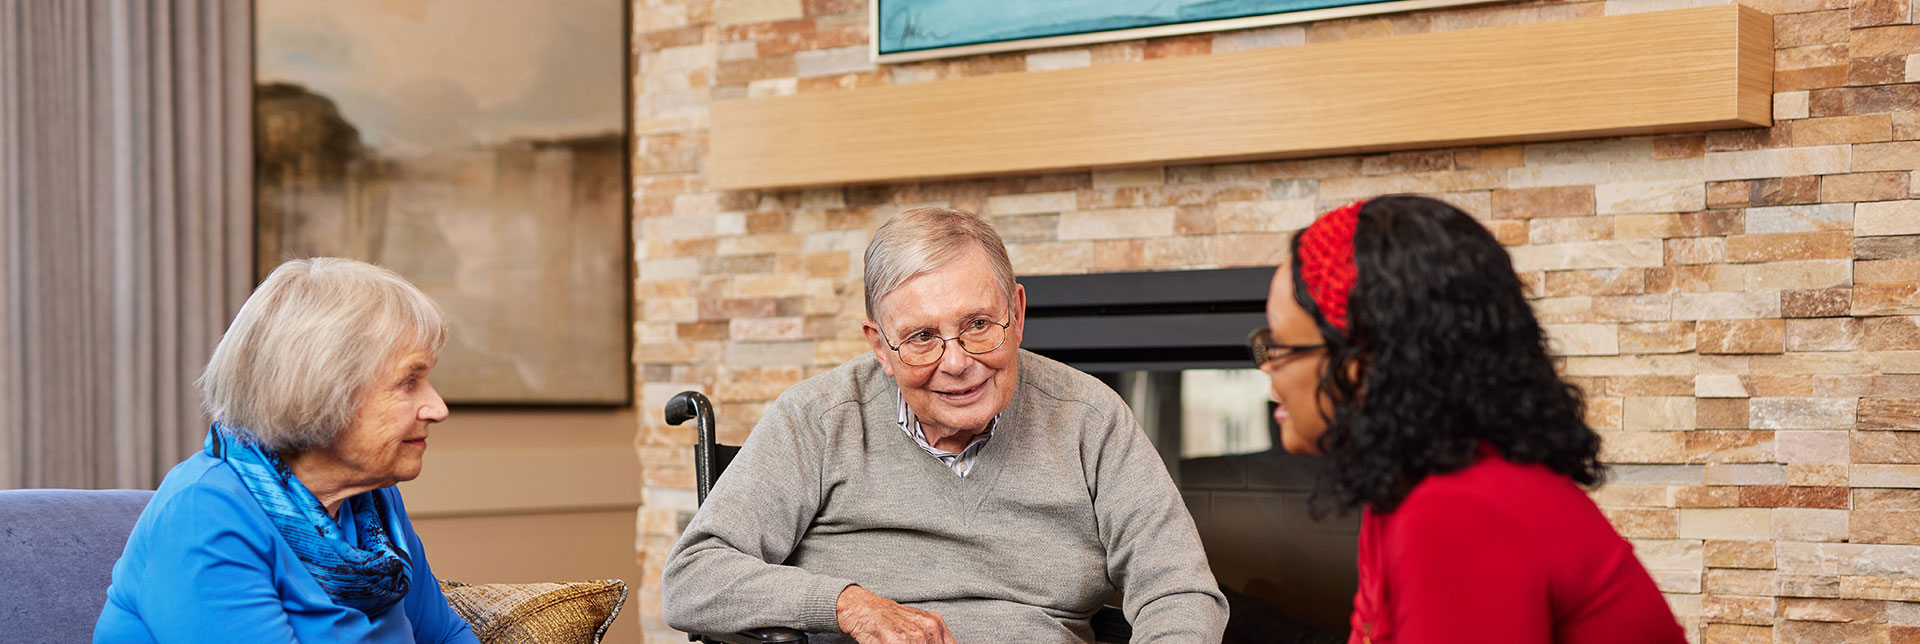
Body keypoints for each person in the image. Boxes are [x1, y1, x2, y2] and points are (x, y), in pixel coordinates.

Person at [662, 207, 1228, 644]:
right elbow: (692, 577)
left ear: (1019, 312)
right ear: (879, 346)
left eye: (979, 324)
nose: (956, 362)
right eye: (921, 337)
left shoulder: (1090, 418)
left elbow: (1179, 589)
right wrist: (850, 603)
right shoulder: (817, 419)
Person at [1253, 195, 1684, 644]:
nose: (1266, 366)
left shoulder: (1455, 511)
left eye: (1279, 345)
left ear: (1361, 368)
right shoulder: (1401, 486)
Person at [95, 258, 478, 644]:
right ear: (322, 389)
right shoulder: (205, 509)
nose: (438, 408)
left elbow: (444, 634)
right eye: (409, 382)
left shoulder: (373, 507)